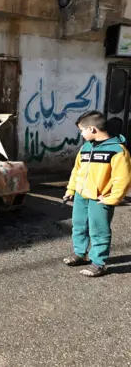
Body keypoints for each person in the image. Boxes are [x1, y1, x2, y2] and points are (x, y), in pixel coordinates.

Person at [63, 110, 131, 277]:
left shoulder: (118, 151)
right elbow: (76, 171)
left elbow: (123, 179)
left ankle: (99, 263)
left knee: (99, 230)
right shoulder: (85, 148)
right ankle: (80, 254)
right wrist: (71, 190)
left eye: (82, 131)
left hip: (101, 200)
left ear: (92, 129)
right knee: (79, 226)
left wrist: (113, 198)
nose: (81, 134)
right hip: (81, 196)